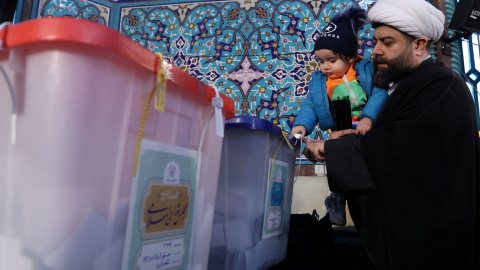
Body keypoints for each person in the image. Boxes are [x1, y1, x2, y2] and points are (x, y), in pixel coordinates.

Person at [302, 0, 480, 269]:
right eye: (375, 42)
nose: (375, 51)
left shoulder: (441, 85)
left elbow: (399, 149)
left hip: (433, 250)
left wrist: (328, 148)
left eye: (387, 42)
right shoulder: (404, 87)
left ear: (419, 44)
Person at [291, 6, 388, 226]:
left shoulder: (365, 70)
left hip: (365, 130)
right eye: (321, 61)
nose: (325, 66)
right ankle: (336, 198)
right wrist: (301, 126)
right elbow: (310, 106)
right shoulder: (319, 81)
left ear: (351, 56)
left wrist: (368, 118)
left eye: (331, 60)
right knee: (337, 166)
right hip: (339, 132)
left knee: (367, 171)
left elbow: (380, 92)